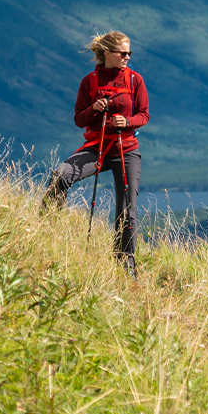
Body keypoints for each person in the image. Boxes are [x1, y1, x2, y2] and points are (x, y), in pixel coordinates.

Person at [42, 30, 150, 272]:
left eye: (129, 53)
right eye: (123, 53)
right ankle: (44, 230)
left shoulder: (135, 80)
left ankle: (125, 266)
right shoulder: (89, 82)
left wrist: (127, 122)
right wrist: (93, 109)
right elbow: (80, 119)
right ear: (107, 53)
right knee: (61, 175)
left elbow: (144, 114)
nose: (127, 57)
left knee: (127, 209)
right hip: (97, 147)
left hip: (126, 149)